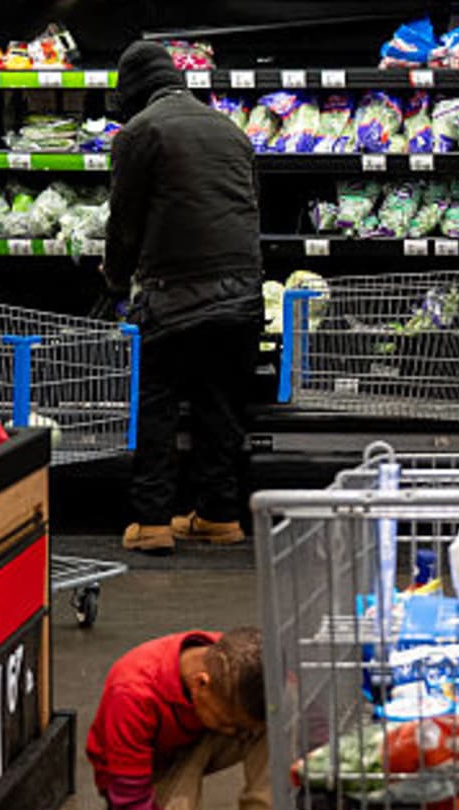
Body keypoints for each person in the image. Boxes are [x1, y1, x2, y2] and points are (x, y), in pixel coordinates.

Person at [107, 41, 263, 555]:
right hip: (242, 294)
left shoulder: (140, 132)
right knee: (220, 407)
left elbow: (124, 222)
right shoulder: (231, 130)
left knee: (156, 404)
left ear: (134, 92)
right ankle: (219, 516)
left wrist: (115, 278)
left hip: (174, 294)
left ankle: (152, 522)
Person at [87, 627, 295, 810]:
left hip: (196, 737)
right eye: (228, 723)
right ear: (201, 683)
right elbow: (133, 802)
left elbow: (289, 685)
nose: (234, 734)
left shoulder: (233, 660)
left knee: (282, 704)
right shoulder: (131, 694)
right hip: (148, 771)